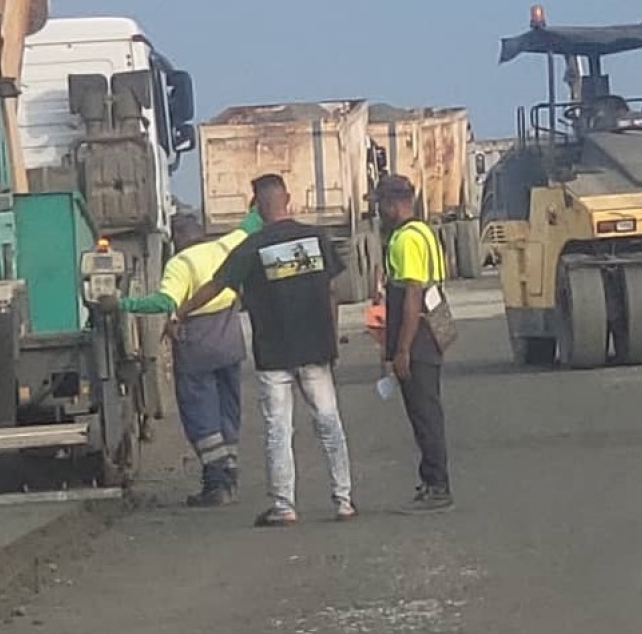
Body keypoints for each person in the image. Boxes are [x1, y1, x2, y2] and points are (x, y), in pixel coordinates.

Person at [173, 173, 356, 527]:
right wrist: (330, 339)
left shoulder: (251, 247)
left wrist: (180, 312)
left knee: (278, 429)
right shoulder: (316, 238)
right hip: (315, 348)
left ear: (255, 205)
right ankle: (344, 500)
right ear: (288, 199)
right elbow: (332, 291)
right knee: (329, 423)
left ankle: (284, 506)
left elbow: (217, 285)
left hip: (274, 354)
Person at [105, 209, 262, 506]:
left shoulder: (180, 263)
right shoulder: (225, 246)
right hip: (230, 345)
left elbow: (164, 302)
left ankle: (216, 484)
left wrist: (120, 303)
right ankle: (229, 475)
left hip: (197, 348)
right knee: (228, 411)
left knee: (201, 416)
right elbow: (252, 223)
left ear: (175, 238)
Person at [368, 174, 454, 513]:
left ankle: (437, 486)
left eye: (380, 204)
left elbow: (412, 294)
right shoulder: (424, 232)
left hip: (417, 338)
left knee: (425, 415)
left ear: (393, 204)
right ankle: (432, 481)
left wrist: (401, 349)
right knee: (426, 412)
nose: (378, 212)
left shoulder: (405, 240)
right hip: (431, 332)